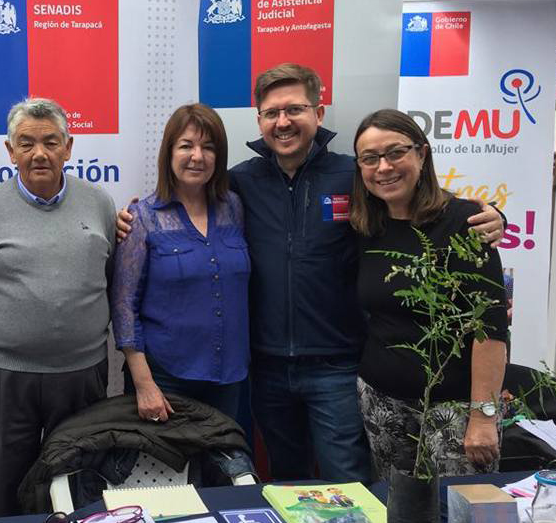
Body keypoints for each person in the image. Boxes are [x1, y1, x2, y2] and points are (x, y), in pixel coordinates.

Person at [117, 63, 504, 483]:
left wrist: (487, 216)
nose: (283, 122)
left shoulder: (352, 173)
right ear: (259, 120)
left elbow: (409, 206)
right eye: (271, 112)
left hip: (335, 366)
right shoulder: (238, 185)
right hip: (264, 368)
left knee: (349, 480)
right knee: (286, 480)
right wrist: (133, 218)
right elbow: (188, 200)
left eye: (295, 109)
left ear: (318, 114)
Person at [0, 97, 115, 517]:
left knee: (80, 486)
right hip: (6, 377)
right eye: (26, 144)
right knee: (6, 487)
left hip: (81, 375)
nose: (40, 153)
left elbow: (111, 278)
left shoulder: (99, 204)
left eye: (51, 142)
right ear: (10, 152)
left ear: (69, 147)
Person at [351, 108, 508, 477]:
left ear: (422, 154)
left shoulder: (466, 223)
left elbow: (491, 328)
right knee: (397, 516)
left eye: (395, 152)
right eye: (370, 158)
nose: (384, 167)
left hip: (454, 411)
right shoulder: (365, 226)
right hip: (381, 401)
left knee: (462, 520)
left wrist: (483, 417)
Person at [110, 104, 249, 422]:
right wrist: (144, 385)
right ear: (169, 152)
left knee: (223, 470)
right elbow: (123, 307)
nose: (197, 156)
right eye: (186, 145)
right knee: (172, 472)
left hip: (230, 376)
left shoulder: (235, 209)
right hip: (166, 380)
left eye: (208, 147)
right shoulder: (143, 217)